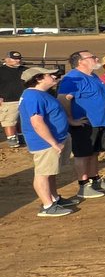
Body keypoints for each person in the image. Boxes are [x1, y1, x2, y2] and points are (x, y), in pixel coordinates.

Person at [57, 50, 105, 199]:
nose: (96, 58)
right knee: (83, 154)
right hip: (84, 123)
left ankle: (95, 180)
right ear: (81, 61)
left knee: (94, 152)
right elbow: (63, 99)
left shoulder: (93, 76)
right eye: (92, 57)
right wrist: (70, 119)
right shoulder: (73, 78)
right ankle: (84, 186)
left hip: (99, 121)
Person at [18, 66, 78, 217]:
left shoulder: (39, 94)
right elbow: (37, 122)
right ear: (38, 78)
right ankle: (47, 206)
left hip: (53, 139)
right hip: (44, 143)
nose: (54, 77)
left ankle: (55, 199)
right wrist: (53, 143)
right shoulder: (34, 96)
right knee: (43, 174)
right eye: (49, 75)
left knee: (50, 172)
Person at [1, 49, 25, 148]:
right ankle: (11, 138)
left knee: (22, 120)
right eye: (14, 59)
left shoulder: (24, 70)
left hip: (24, 99)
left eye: (19, 59)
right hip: (8, 101)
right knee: (9, 120)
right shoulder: (1, 71)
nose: (17, 61)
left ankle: (21, 136)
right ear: (7, 59)